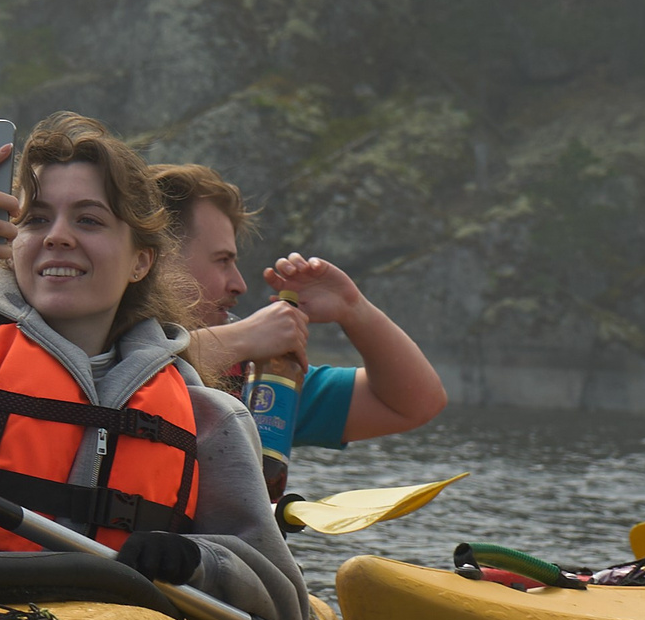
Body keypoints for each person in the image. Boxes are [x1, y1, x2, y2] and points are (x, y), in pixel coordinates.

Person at [0, 115, 311, 620]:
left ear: (141, 261)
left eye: (89, 220)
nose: (57, 236)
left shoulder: (207, 414)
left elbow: (284, 609)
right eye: (36, 219)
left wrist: (197, 561)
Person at [151, 164, 448, 450]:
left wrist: (354, 308)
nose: (239, 284)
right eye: (223, 260)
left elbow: (416, 403)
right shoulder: (120, 357)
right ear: (156, 261)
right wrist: (244, 337)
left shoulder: (258, 385)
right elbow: (136, 371)